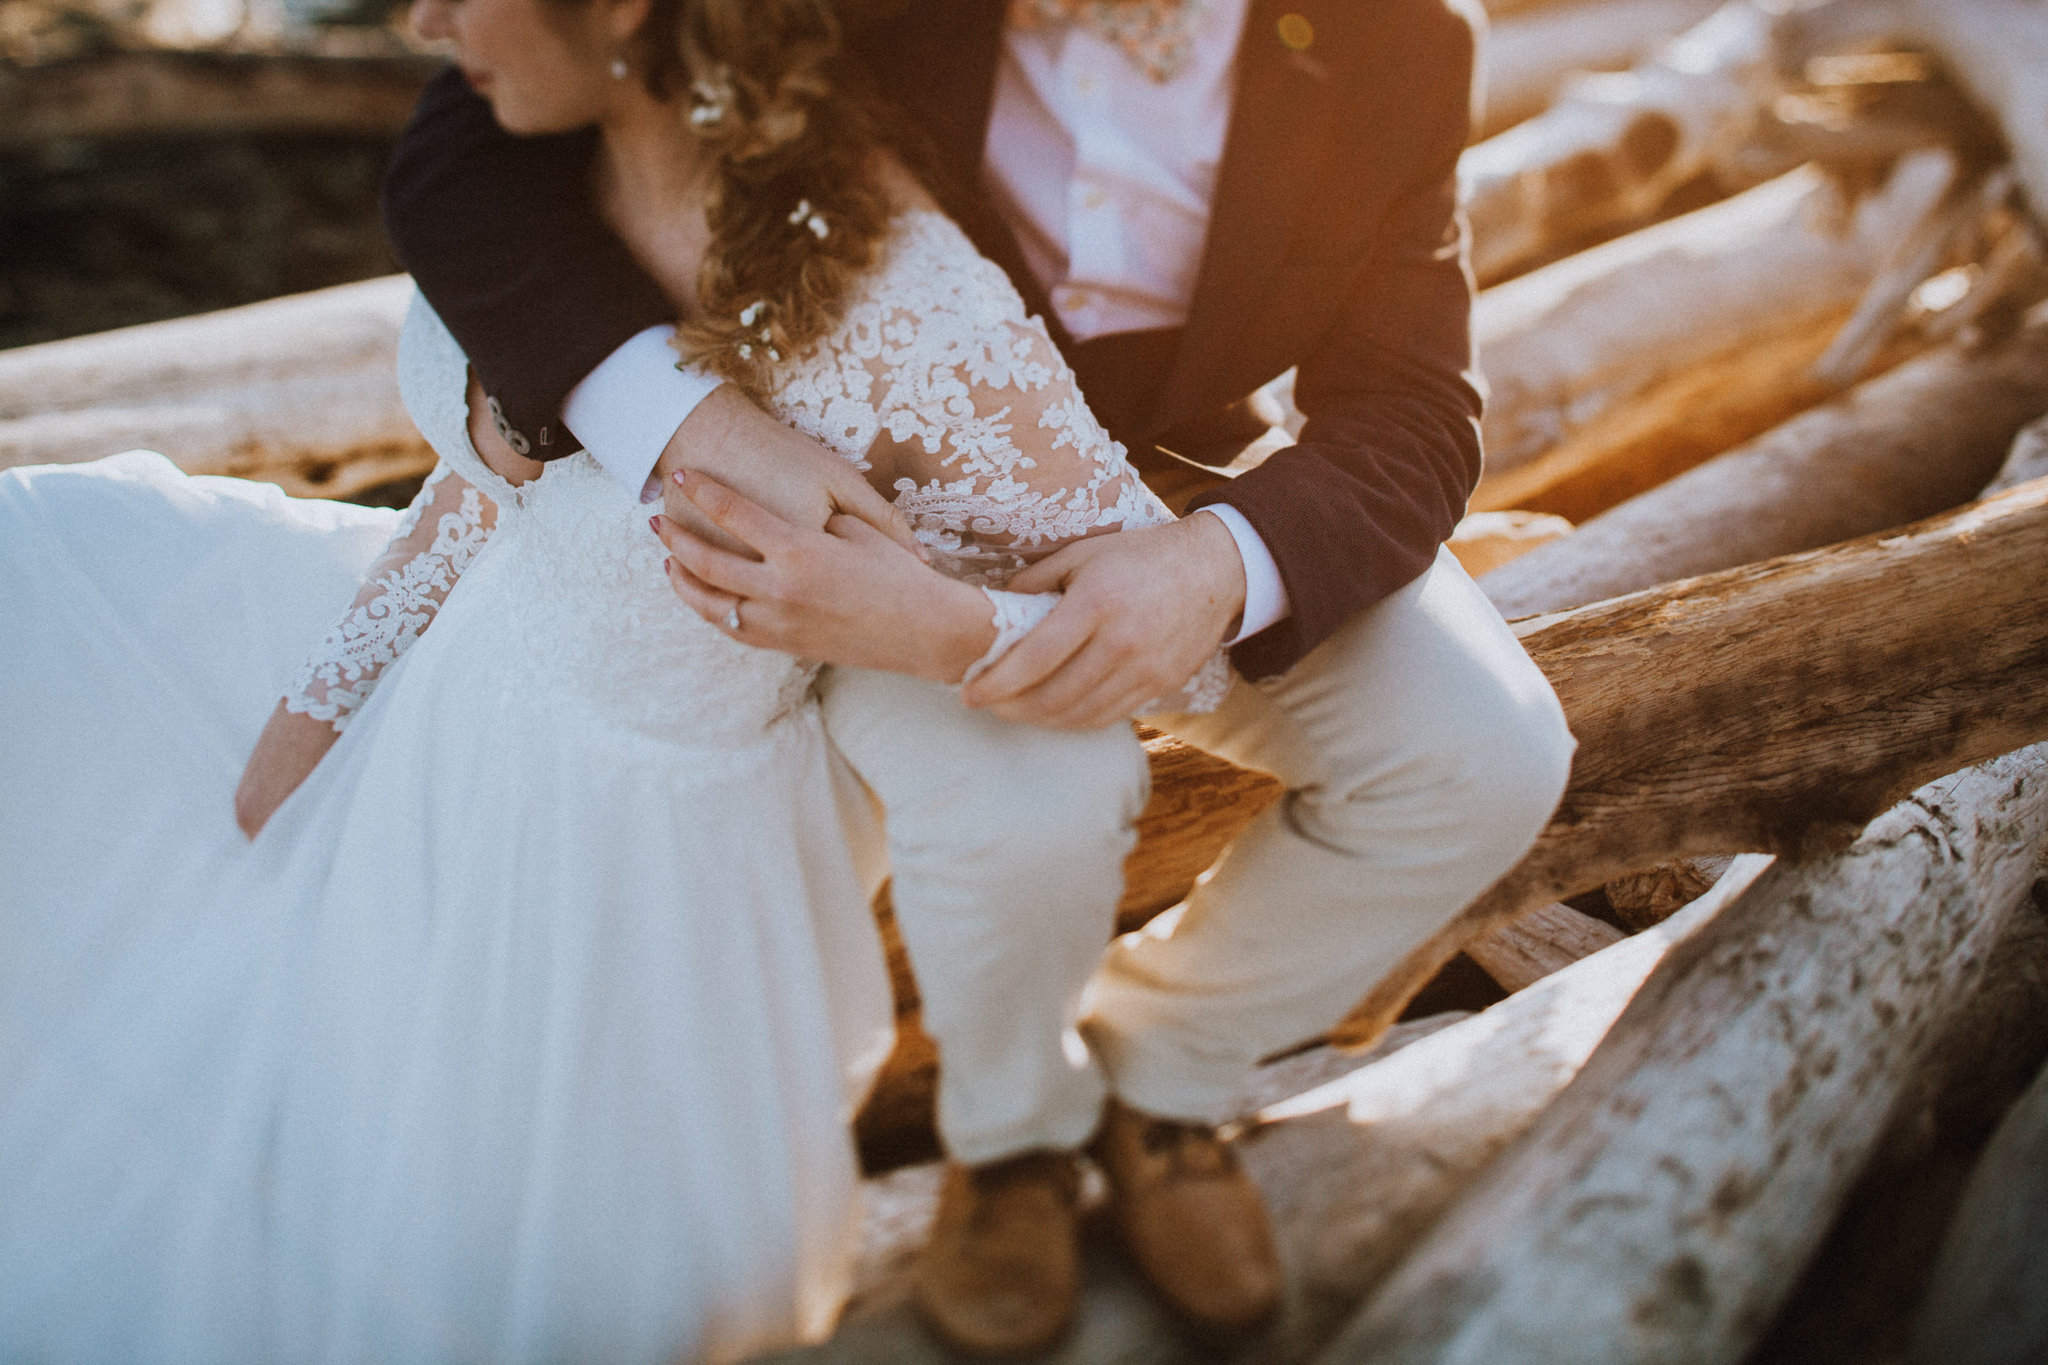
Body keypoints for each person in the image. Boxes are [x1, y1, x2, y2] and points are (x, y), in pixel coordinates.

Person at [0, 0, 1213, 1360]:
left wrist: (917, 615)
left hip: (646, 868)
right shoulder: (527, 169)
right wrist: (322, 703)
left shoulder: (902, 306)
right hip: (449, 736)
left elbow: (1157, 616)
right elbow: (485, 495)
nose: (418, 19)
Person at [384, 0, 1578, 1353]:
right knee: (1031, 812)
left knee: (1492, 751)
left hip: (1182, 492)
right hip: (884, 520)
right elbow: (463, 149)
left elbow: (1412, 404)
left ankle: (1161, 1085)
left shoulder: (1400, 36)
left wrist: (1215, 566)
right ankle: (1013, 1138)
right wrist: (688, 423)